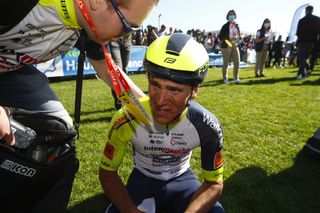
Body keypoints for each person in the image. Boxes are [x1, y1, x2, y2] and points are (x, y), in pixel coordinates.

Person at [0, 0, 159, 211]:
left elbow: (111, 75)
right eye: (126, 26)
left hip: (13, 73)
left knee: (61, 139)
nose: (125, 36)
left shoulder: (87, 22)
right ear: (97, 2)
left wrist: (153, 113)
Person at [99, 33, 224, 213]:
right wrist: (128, 209)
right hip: (143, 179)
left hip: (182, 179)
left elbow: (214, 183)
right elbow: (107, 172)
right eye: (155, 84)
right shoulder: (126, 117)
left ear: (195, 90)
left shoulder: (207, 125)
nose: (160, 100)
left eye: (174, 89)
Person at [296, 5, 320, 80]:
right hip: (313, 42)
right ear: (312, 10)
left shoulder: (301, 20)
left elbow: (298, 33)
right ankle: (303, 72)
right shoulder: (317, 19)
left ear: (306, 11)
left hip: (302, 42)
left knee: (302, 58)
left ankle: (302, 74)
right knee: (306, 59)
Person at [109, 35, 133, 110]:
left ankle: (125, 100)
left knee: (124, 70)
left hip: (127, 40)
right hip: (114, 39)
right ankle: (119, 100)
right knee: (117, 71)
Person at [218, 9, 242, 84]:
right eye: (230, 14)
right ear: (228, 16)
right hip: (226, 46)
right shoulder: (225, 26)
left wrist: (239, 39)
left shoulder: (237, 25)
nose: (232, 16)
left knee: (237, 62)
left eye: (233, 14)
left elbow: (238, 35)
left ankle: (236, 78)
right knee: (226, 63)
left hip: (235, 45)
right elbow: (221, 37)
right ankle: (225, 79)